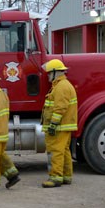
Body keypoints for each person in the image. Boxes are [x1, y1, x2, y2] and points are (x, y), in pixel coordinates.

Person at [41, 59, 77, 188]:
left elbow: (60, 108)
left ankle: (55, 177)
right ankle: (66, 176)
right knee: (64, 151)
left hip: (59, 127)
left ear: (56, 73)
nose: (48, 75)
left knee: (55, 151)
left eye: (49, 73)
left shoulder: (61, 87)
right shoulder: (61, 85)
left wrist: (53, 124)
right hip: (63, 126)